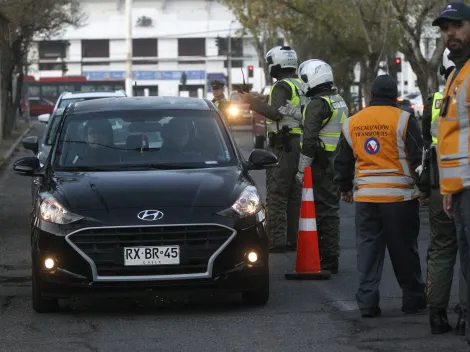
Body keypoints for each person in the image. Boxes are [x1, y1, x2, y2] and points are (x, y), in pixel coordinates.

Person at [333, 74, 426, 318]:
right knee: (405, 251)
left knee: (368, 252)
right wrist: (424, 188)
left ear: (371, 96)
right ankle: (413, 300)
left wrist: (344, 187)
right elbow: (419, 158)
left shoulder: (353, 122)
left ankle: (368, 304)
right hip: (400, 199)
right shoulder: (405, 119)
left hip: (366, 200)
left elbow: (342, 160)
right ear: (395, 97)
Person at [279, 59, 348, 273]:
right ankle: (328, 255)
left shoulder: (318, 103)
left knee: (325, 212)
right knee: (330, 210)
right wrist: (298, 114)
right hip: (335, 162)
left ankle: (328, 258)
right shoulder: (336, 99)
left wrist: (302, 169)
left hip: (321, 165)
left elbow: (309, 140)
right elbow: (322, 122)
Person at [240, 46, 307, 252]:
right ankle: (291, 238)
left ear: (276, 64)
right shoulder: (299, 84)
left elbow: (277, 114)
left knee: (277, 193)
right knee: (294, 194)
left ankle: (277, 241)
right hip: (298, 142)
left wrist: (253, 103)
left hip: (283, 145)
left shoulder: (281, 86)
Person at [422, 47, 467, 335]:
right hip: (463, 181)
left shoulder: (434, 100)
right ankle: (464, 316)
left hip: (439, 182)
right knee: (466, 250)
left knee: (441, 247)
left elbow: (426, 141)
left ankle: (436, 314)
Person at [432, 2, 470, 344]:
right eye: (445, 28)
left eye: (456, 25)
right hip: (459, 189)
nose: (449, 33)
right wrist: (448, 187)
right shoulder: (457, 74)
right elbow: (451, 136)